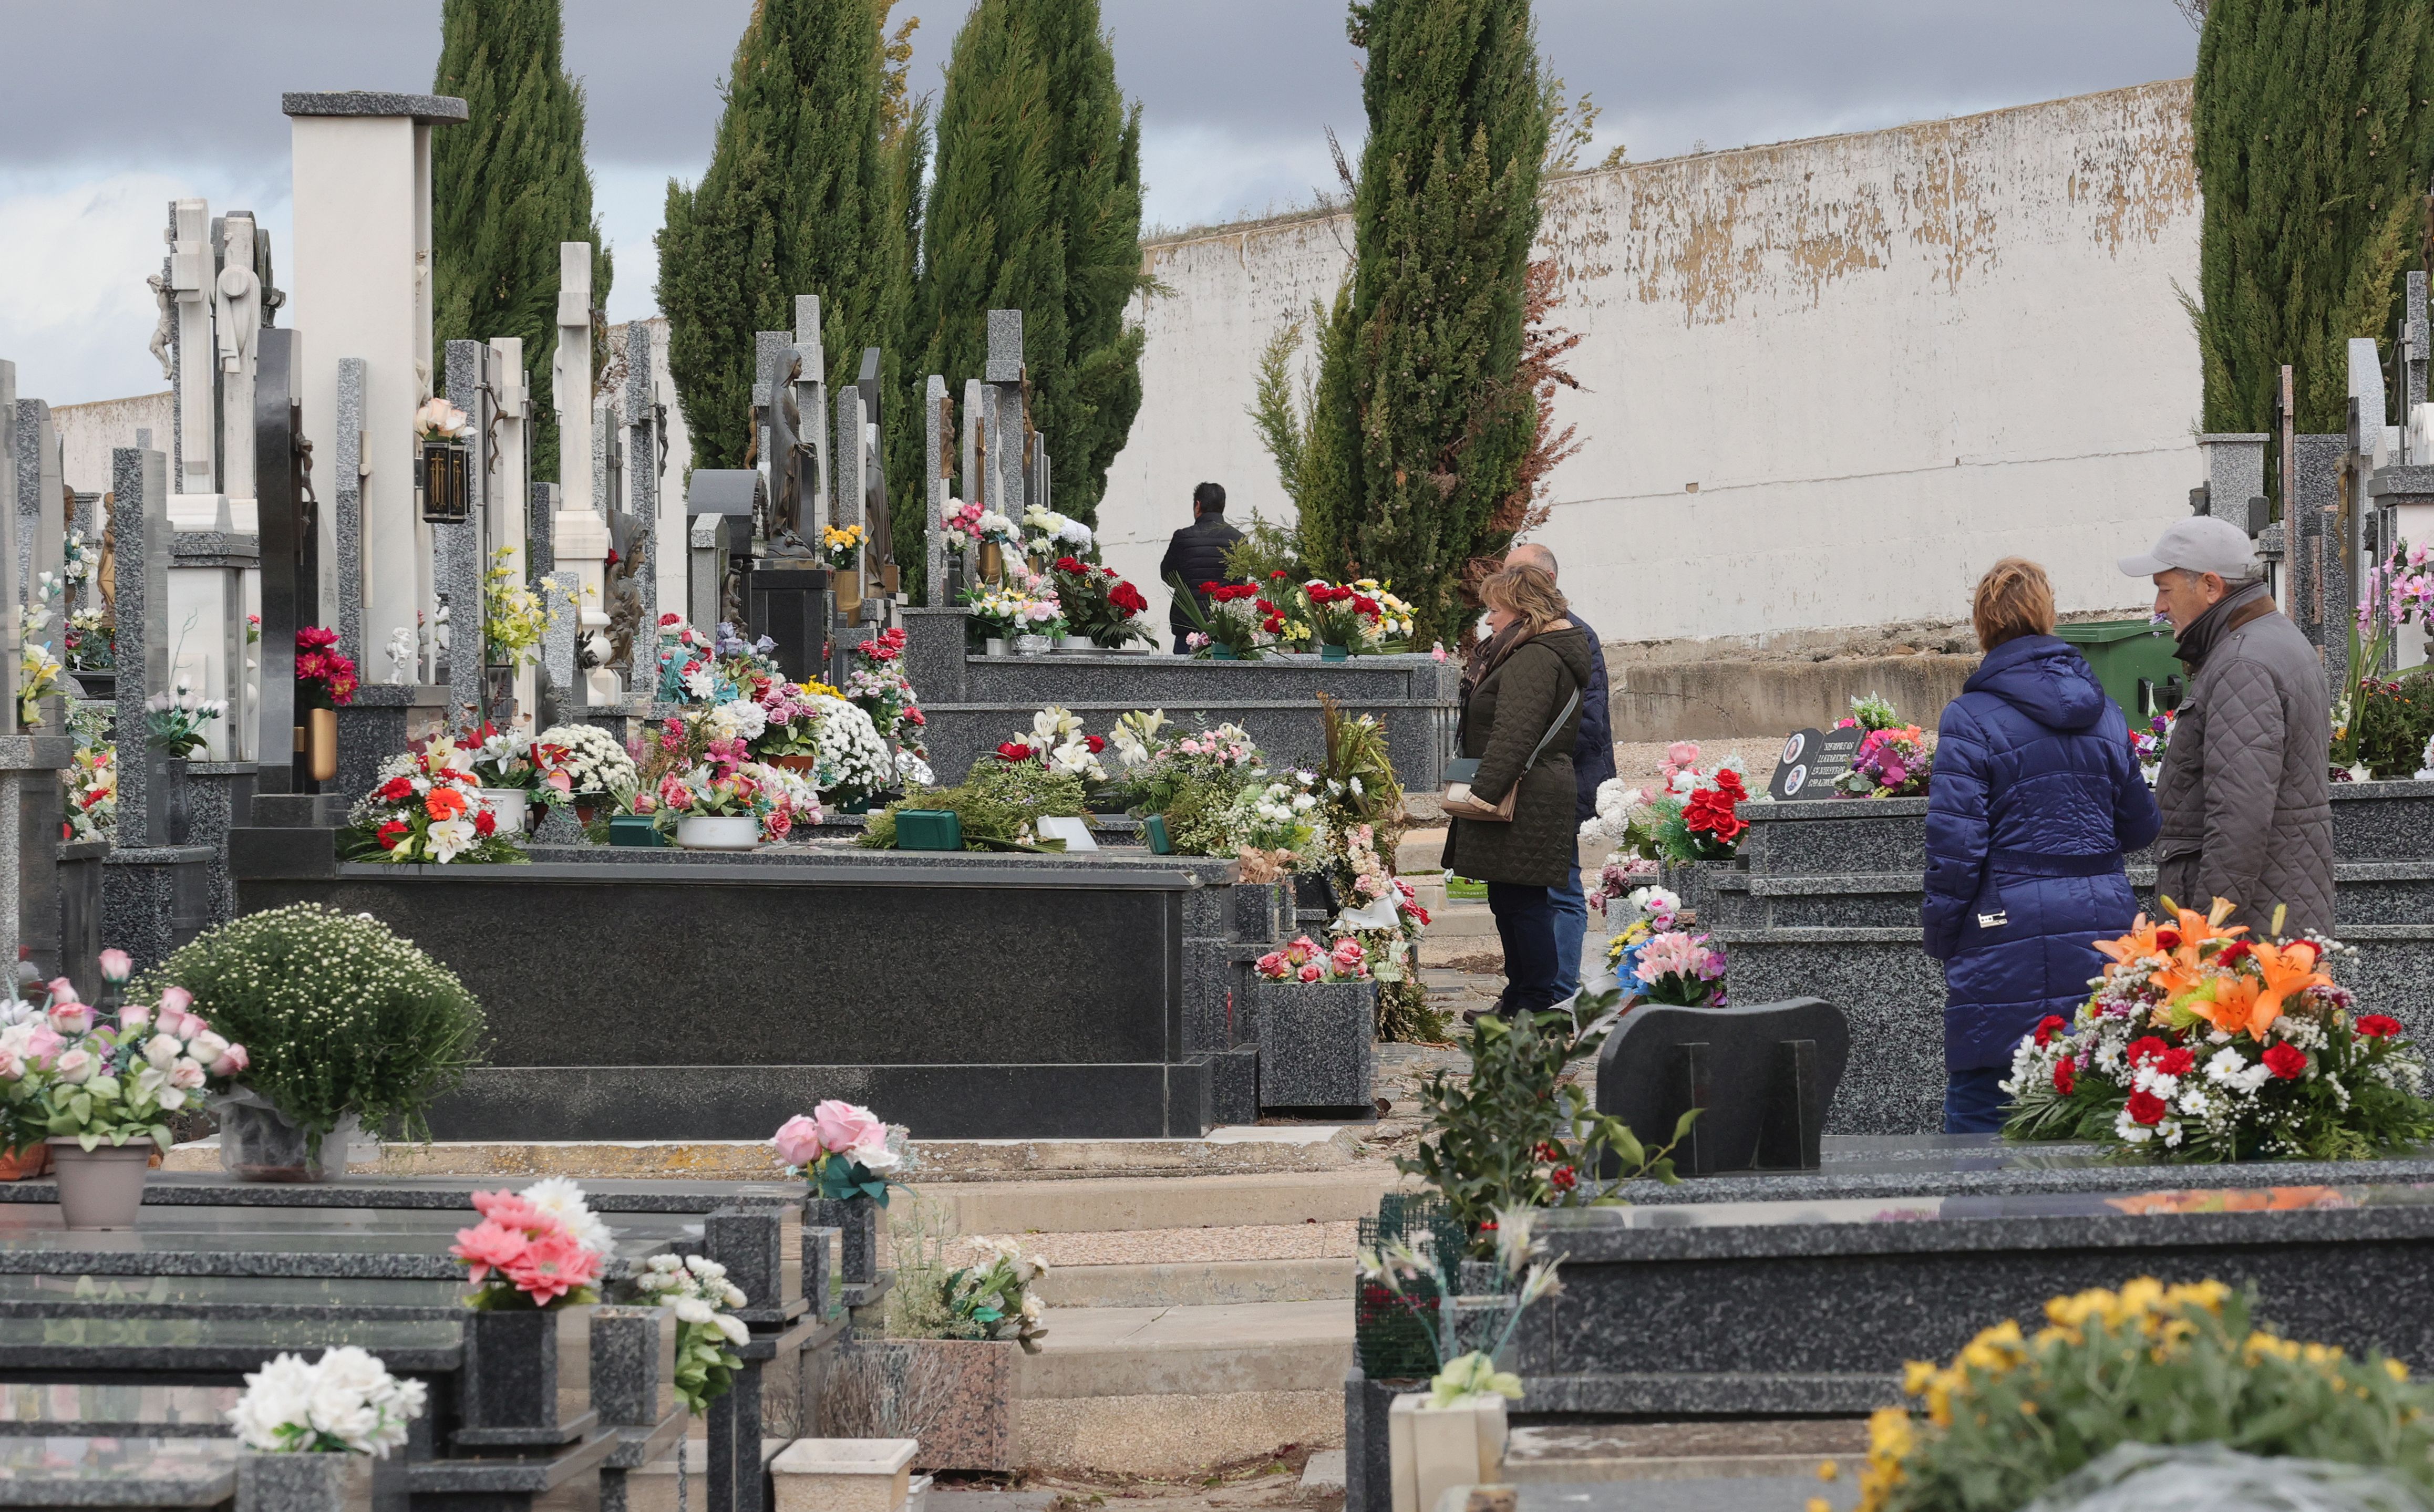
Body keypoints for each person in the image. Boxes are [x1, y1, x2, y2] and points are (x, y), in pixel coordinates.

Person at [1923, 558, 2160, 1133]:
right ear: (2049, 617)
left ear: (1983, 626)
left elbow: (1955, 848)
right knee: (2096, 1101)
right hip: (2105, 922)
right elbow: (2140, 824)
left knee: (1983, 1107)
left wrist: (1943, 936)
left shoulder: (1970, 717)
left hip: (2003, 925)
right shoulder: (2104, 711)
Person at [2120, 516, 2332, 938]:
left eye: (2165, 589)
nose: (2159, 607)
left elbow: (2239, 820)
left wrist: (2207, 936)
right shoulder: (2272, 639)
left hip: (2246, 934)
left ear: (2212, 587)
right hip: (2277, 910)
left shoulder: (2241, 665)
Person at [1442, 564, 1596, 1020]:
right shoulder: (1528, 649)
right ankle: (1519, 1000)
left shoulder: (1534, 655)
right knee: (1509, 901)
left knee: (1525, 905)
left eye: (1495, 610)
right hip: (1524, 788)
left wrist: (1481, 793)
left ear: (1521, 609)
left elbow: (1516, 732)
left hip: (1523, 792)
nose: (1489, 620)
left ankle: (1535, 1005)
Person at [1502, 542, 1614, 997]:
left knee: (1562, 888)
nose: (1505, 583)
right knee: (1525, 894)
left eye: (1516, 574)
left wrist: (1528, 759)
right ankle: (1531, 991)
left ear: (1544, 580)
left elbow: (1587, 720)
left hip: (1560, 781)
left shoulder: (1575, 635)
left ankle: (1558, 994)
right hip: (1527, 781)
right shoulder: (1517, 633)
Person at [1157, 482, 1244, 653]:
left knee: (1183, 679)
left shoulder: (1183, 538)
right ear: (1222, 506)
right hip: (1227, 631)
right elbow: (1241, 582)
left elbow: (1167, 574)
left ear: (1198, 506)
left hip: (1188, 628)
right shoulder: (1239, 540)